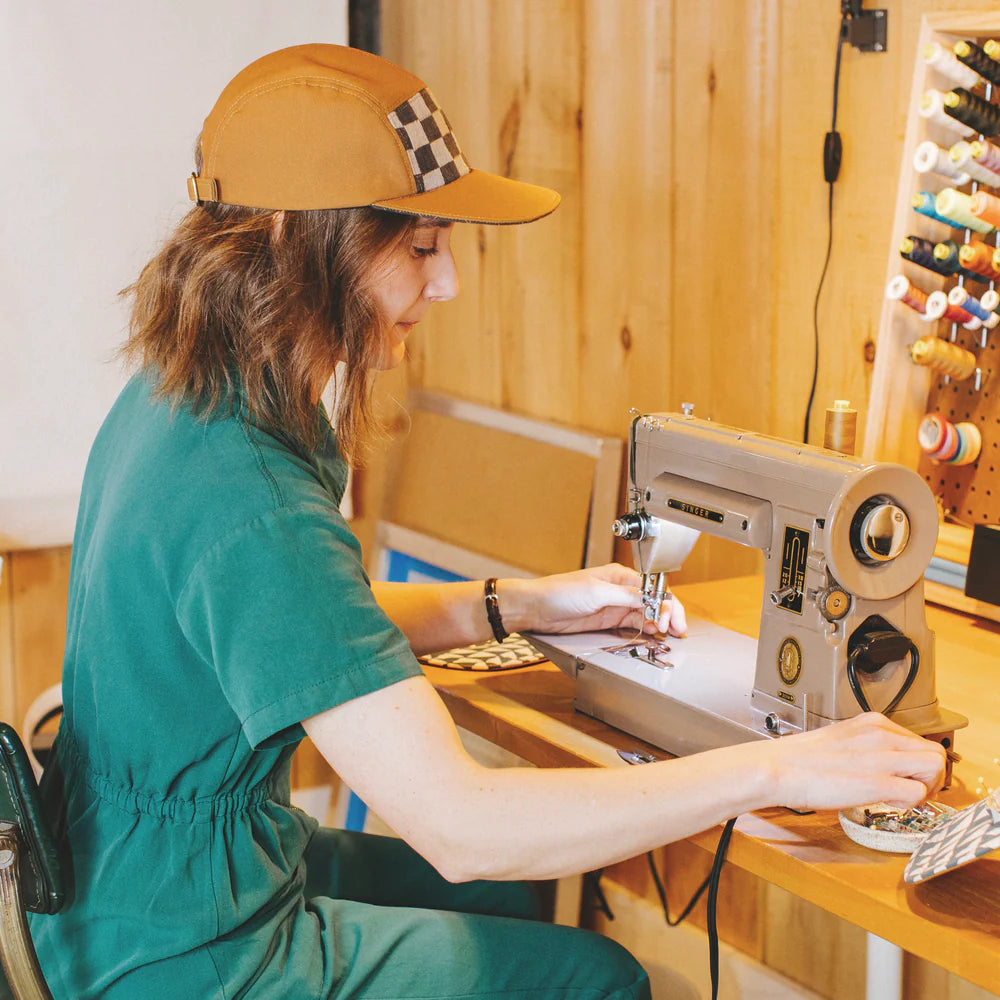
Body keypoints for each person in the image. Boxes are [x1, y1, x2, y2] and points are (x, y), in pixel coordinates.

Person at [29, 43, 946, 1000]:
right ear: (306, 243)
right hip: (176, 947)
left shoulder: (188, 395)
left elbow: (298, 622)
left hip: (122, 881)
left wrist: (513, 605)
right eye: (420, 247)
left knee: (520, 899)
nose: (449, 283)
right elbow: (458, 825)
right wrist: (772, 770)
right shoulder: (248, 491)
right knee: (596, 977)